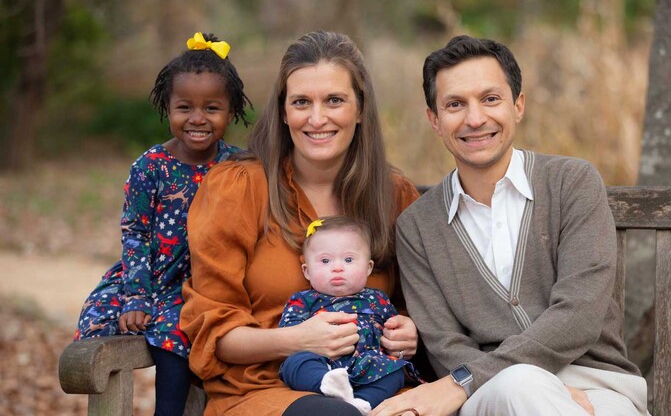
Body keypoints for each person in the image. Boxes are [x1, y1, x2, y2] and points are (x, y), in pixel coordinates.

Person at [372, 35, 649, 416]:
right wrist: (517, 384)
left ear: (518, 106)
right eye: (455, 105)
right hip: (488, 395)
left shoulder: (572, 183)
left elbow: (579, 313)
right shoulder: (417, 226)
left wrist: (529, 386)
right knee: (521, 385)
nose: (474, 118)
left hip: (597, 385)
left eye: (490, 99)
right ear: (434, 120)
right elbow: (443, 344)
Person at [180, 30, 421, 416]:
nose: (317, 118)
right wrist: (298, 340)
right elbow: (215, 336)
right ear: (283, 112)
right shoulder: (239, 189)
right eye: (301, 102)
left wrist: (409, 332)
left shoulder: (393, 197)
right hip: (266, 390)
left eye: (335, 101)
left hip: (376, 388)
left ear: (360, 110)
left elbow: (419, 307)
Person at [73, 32, 251, 416]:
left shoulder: (239, 167)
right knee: (104, 317)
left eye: (212, 108)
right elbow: (134, 234)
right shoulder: (150, 167)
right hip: (151, 275)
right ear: (166, 108)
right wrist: (136, 296)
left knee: (179, 325)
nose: (198, 119)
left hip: (204, 281)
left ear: (232, 110)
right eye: (185, 107)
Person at [279, 217, 419, 415]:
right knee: (297, 363)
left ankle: (363, 402)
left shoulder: (377, 298)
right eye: (325, 261)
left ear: (368, 268)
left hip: (369, 364)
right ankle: (326, 385)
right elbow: (288, 332)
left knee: (395, 371)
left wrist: (398, 336)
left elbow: (395, 330)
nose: (337, 268)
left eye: (349, 259)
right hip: (323, 361)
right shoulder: (303, 300)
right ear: (307, 271)